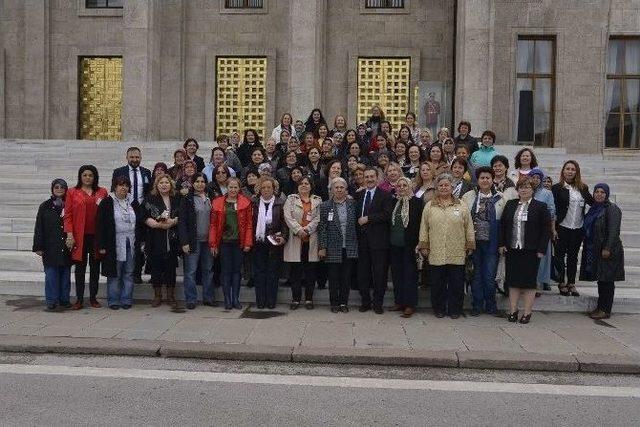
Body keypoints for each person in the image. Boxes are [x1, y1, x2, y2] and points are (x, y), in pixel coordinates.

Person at [419, 173, 475, 318]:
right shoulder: (429, 205)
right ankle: (439, 309)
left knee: (456, 284)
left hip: (457, 251)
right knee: (437, 284)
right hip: (436, 251)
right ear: (436, 188)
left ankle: (455, 310)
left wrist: (470, 244)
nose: (444, 188)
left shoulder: (461, 205)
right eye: (441, 185)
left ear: (452, 187)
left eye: (447, 185)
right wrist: (424, 245)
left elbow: (468, 226)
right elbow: (424, 227)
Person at [499, 178, 551, 324]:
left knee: (529, 283)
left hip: (531, 250)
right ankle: (513, 310)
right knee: (513, 281)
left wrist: (541, 249)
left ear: (533, 189)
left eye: (527, 187)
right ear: (517, 189)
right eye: (521, 187)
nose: (524, 189)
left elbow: (545, 230)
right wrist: (502, 243)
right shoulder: (510, 204)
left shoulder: (540, 206)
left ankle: (527, 312)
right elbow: (503, 225)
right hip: (513, 249)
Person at [462, 167, 506, 316]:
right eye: (482, 178)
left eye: (488, 178)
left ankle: (491, 305)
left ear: (492, 179)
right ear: (478, 180)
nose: (485, 180)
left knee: (489, 275)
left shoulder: (501, 198)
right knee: (476, 275)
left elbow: (505, 223)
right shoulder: (469, 196)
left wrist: (502, 243)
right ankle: (477, 305)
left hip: (492, 244)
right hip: (474, 243)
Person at [64, 165, 108, 310]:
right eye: (85, 175)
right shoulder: (72, 192)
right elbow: (68, 215)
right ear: (80, 176)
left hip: (96, 237)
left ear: (95, 177)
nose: (88, 177)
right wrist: (69, 234)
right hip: (79, 237)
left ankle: (93, 298)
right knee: (80, 269)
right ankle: (79, 299)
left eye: (90, 175)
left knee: (95, 268)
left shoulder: (102, 192)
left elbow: (106, 214)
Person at [580, 184, 625, 320]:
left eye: (602, 192)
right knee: (601, 279)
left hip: (608, 250)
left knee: (607, 281)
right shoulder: (595, 209)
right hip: (595, 249)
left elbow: (614, 231)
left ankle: (605, 309)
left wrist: (607, 248)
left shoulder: (612, 209)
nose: (599, 194)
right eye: (597, 192)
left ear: (607, 194)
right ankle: (601, 307)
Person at [209, 177, 253, 310]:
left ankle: (235, 298)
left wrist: (247, 243)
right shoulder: (217, 203)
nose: (233, 190)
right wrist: (213, 244)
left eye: (235, 187)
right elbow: (213, 225)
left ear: (239, 188)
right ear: (226, 188)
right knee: (226, 271)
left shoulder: (245, 202)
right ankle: (227, 298)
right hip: (224, 242)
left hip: (238, 242)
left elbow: (249, 225)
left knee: (236, 272)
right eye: (231, 187)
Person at [552, 160, 593, 297]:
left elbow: (592, 203)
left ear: (577, 172)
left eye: (573, 169)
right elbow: (553, 210)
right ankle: (561, 282)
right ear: (563, 171)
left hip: (577, 228)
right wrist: (553, 228)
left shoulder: (583, 188)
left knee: (573, 257)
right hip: (562, 227)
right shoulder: (557, 188)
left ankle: (571, 283)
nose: (570, 171)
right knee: (559, 256)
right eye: (567, 169)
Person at [96, 175, 138, 310]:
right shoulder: (107, 202)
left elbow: (140, 223)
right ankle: (113, 300)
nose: (123, 187)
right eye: (121, 185)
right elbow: (100, 224)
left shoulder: (133, 202)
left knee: (129, 272)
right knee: (115, 272)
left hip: (130, 241)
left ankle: (126, 299)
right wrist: (101, 245)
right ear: (115, 187)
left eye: (126, 185)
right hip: (113, 242)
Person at [112, 146, 152, 284]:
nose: (135, 159)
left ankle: (136, 274)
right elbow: (114, 191)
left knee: (139, 244)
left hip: (141, 212)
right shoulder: (119, 172)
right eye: (132, 157)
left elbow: (149, 193)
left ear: (140, 158)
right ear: (127, 158)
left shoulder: (147, 172)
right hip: (125, 211)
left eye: (137, 157)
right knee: (126, 244)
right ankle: (123, 273)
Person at [356, 167, 393, 314]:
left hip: (379, 241)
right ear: (363, 179)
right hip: (362, 241)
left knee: (379, 274)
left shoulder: (385, 195)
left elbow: (387, 215)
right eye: (367, 177)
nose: (370, 179)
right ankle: (365, 302)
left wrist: (368, 218)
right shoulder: (359, 195)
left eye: (372, 176)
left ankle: (378, 303)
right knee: (363, 273)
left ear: (377, 178)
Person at [318, 177, 358, 312]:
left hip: (349, 245)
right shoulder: (325, 206)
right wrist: (322, 247)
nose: (339, 189)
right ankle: (334, 303)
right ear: (332, 190)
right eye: (336, 187)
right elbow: (322, 227)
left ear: (346, 190)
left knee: (346, 278)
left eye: (342, 187)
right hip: (332, 246)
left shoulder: (353, 204)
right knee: (334, 277)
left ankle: (343, 303)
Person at [283, 176, 322, 310]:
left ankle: (309, 299)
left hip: (311, 240)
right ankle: (295, 299)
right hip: (296, 239)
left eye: (307, 183)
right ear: (298, 186)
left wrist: (307, 229)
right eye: (301, 183)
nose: (304, 185)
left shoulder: (317, 200)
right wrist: (299, 230)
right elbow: (287, 216)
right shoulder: (291, 199)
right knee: (296, 272)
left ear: (311, 186)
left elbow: (318, 219)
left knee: (311, 271)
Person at [33, 179, 72, 310]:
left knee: (65, 275)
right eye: (56, 187)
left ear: (66, 189)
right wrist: (38, 246)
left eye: (62, 187)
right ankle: (51, 300)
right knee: (51, 275)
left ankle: (64, 300)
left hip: (66, 246)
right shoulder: (45, 206)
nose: (59, 189)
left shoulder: (69, 205)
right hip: (50, 246)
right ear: (52, 189)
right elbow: (39, 227)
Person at [178, 173, 215, 310]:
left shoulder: (211, 198)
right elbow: (182, 222)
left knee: (208, 269)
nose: (200, 184)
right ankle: (191, 299)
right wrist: (184, 242)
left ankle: (208, 297)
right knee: (191, 271)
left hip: (208, 241)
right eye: (197, 181)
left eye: (202, 181)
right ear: (192, 184)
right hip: (193, 241)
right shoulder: (187, 199)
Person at [143, 175, 180, 308]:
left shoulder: (176, 198)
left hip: (172, 238)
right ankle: (157, 296)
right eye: (161, 183)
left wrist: (173, 221)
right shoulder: (150, 199)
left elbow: (182, 215)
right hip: (155, 238)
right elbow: (145, 216)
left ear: (171, 184)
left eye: (166, 182)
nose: (164, 185)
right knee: (156, 268)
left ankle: (170, 296)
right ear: (157, 185)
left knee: (170, 269)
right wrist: (158, 224)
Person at [252, 177, 287, 309]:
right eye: (263, 187)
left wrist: (284, 236)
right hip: (258, 242)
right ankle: (260, 301)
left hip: (274, 243)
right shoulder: (254, 203)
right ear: (259, 189)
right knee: (260, 272)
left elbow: (284, 222)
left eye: (269, 187)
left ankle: (271, 301)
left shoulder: (280, 203)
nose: (266, 190)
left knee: (273, 273)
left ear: (274, 189)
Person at [389, 177, 422, 317]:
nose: (402, 188)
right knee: (397, 274)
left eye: (405, 185)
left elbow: (421, 224)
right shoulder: (393, 202)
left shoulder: (417, 203)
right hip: (395, 244)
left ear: (410, 187)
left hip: (410, 245)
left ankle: (409, 304)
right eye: (399, 185)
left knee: (409, 275)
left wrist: (420, 243)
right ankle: (399, 301)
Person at [528, 168, 557, 292]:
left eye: (538, 178)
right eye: (533, 177)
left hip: (542, 230)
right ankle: (529, 281)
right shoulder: (526, 190)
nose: (535, 180)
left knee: (542, 258)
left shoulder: (546, 193)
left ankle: (539, 283)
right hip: (528, 229)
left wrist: (553, 229)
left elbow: (552, 211)